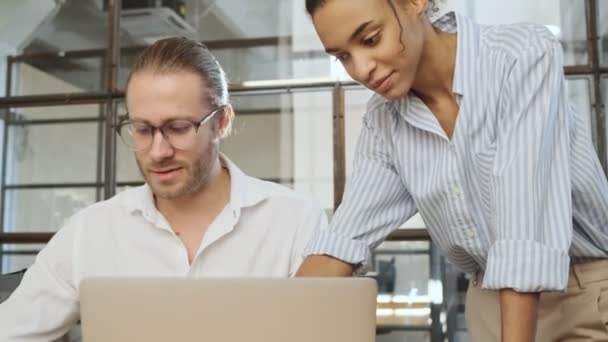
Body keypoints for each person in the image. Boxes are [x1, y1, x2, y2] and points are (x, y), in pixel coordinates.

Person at [296, 0, 608, 341]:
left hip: (583, 294)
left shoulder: (520, 56)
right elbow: (342, 241)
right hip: (490, 303)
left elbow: (523, 227)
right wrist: (270, 320)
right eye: (343, 56)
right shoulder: (384, 121)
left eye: (370, 39)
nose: (361, 69)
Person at [0, 37, 327, 341]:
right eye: (142, 129)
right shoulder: (90, 231)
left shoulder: (295, 221)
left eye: (178, 128)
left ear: (222, 121)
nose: (158, 152)